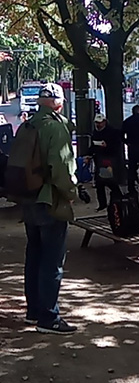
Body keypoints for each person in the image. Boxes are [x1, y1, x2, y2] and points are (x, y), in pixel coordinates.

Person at [20, 85, 79, 334]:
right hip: (50, 199)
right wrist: (71, 194)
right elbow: (62, 167)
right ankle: (49, 317)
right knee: (52, 260)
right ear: (58, 103)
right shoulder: (56, 127)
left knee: (33, 255)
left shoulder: (27, 125)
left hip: (27, 199)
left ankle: (33, 311)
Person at [89, 113, 124, 211]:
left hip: (108, 159)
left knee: (107, 181)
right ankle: (103, 203)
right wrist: (88, 154)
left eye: (99, 123)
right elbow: (93, 146)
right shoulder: (95, 132)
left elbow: (116, 146)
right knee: (101, 182)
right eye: (96, 123)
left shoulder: (112, 132)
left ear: (104, 122)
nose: (98, 125)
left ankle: (118, 199)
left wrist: (107, 146)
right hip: (99, 159)